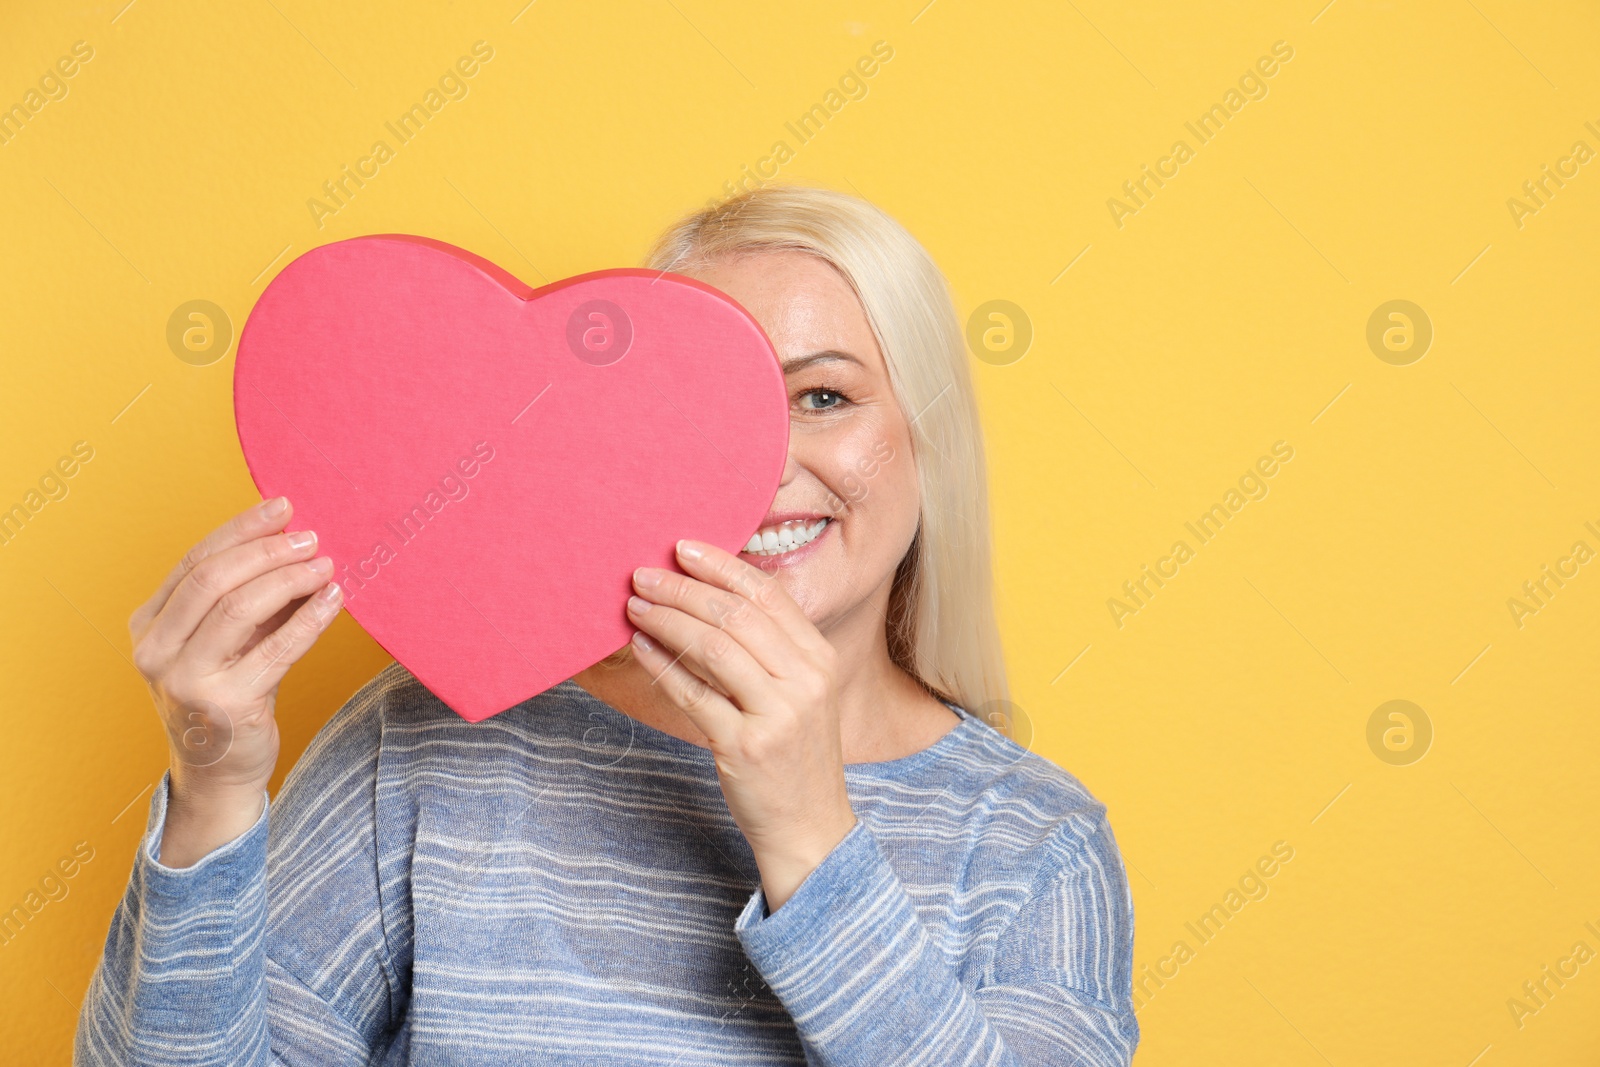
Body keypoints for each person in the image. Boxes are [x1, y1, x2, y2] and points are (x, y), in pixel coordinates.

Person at [75, 184, 1139, 1065]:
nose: (764, 470)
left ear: (929, 439)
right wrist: (211, 790)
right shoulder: (427, 743)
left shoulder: (1033, 844)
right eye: (701, 410)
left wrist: (810, 832)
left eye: (821, 399)